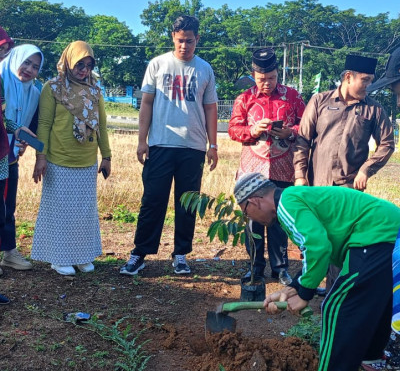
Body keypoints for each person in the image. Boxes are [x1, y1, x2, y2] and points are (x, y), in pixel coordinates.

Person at [234, 172, 400, 371]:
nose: (248, 218)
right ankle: (372, 359)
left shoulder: (286, 204)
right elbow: (314, 252)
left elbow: (318, 247)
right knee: (374, 300)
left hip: (374, 234)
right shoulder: (293, 198)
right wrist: (293, 288)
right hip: (387, 231)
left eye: (245, 211)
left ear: (254, 201)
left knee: (335, 307)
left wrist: (304, 293)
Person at [120, 15, 218, 276]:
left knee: (187, 203)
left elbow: (210, 108)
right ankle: (139, 253)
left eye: (189, 41)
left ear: (197, 39)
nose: (184, 46)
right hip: (161, 144)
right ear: (172, 38)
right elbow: (147, 104)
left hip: (194, 146)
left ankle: (181, 254)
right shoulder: (157, 64)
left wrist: (213, 144)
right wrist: (142, 141)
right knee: (153, 200)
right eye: (179, 41)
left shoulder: (205, 69)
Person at [294, 54, 395, 293]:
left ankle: (335, 299)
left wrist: (366, 170)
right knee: (315, 240)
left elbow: (387, 143)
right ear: (348, 77)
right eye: (366, 80)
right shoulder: (320, 101)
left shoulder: (373, 109)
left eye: (371, 81)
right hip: (317, 188)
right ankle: (306, 290)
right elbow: (303, 140)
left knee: (342, 246)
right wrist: (300, 176)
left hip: (348, 192)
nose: (368, 86)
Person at [32, 41, 111, 276]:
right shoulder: (53, 87)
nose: (84, 70)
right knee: (60, 212)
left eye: (88, 65)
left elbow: (102, 127)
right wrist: (40, 156)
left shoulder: (94, 90)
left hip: (86, 160)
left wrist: (106, 156)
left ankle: (81, 256)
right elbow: (44, 124)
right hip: (58, 160)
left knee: (83, 213)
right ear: (68, 62)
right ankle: (59, 258)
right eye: (79, 64)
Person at [228, 47, 305, 285]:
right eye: (261, 79)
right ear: (254, 75)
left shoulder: (293, 97)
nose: (267, 83)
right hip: (253, 171)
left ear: (277, 74)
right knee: (253, 218)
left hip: (284, 168)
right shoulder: (244, 99)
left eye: (271, 78)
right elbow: (233, 129)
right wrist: (251, 131)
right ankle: (255, 267)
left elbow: (307, 126)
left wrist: (290, 132)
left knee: (280, 219)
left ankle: (280, 268)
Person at [0, 44, 44, 274]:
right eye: (26, 62)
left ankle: (8, 252)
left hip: (9, 157)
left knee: (7, 206)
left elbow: (31, 123)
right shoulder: (0, 77)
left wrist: (26, 141)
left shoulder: (34, 92)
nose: (28, 69)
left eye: (35, 66)